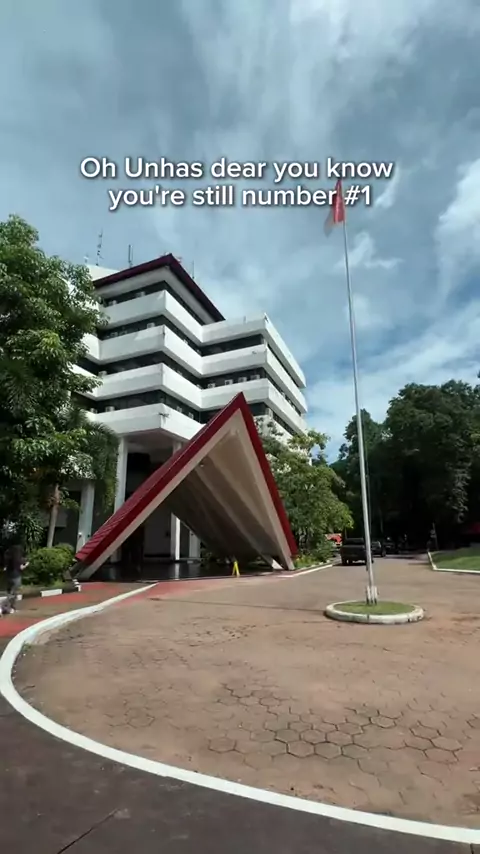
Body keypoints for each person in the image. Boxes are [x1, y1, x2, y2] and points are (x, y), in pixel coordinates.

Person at [1, 543, 28, 615]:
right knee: (13, 595)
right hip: (16, 577)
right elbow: (21, 568)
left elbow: (5, 568)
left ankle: (10, 607)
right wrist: (26, 564)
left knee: (10, 593)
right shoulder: (18, 560)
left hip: (9, 577)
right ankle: (4, 606)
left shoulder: (8, 558)